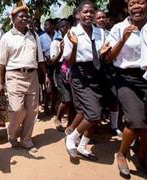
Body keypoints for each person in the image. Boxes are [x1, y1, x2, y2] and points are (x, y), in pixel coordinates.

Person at [0, 2, 49, 153]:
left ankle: (26, 139)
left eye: (26, 16)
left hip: (32, 76)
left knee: (32, 110)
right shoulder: (6, 37)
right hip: (14, 76)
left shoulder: (34, 36)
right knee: (17, 109)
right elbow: (0, 63)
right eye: (21, 16)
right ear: (13, 18)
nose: (25, 19)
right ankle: (12, 134)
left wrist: (46, 76)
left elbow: (40, 59)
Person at [101, 0, 147, 177]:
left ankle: (142, 157)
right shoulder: (119, 28)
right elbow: (109, 57)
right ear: (127, 8)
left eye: (141, 2)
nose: (137, 7)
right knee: (136, 121)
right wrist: (123, 39)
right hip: (126, 78)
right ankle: (122, 154)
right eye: (132, 4)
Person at [64, 1, 105, 161]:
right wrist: (74, 46)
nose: (89, 15)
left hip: (96, 73)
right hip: (80, 73)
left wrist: (104, 52)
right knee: (93, 114)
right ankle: (72, 137)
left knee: (93, 112)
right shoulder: (72, 33)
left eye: (91, 12)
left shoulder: (100, 32)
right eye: (85, 12)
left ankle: (82, 146)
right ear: (78, 15)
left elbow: (102, 53)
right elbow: (71, 61)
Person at [94, 10, 122, 137]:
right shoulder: (91, 34)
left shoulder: (111, 34)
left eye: (103, 17)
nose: (101, 20)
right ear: (94, 20)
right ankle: (94, 126)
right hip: (96, 71)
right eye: (98, 18)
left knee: (114, 99)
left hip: (110, 71)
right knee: (97, 100)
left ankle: (114, 126)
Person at [49, 18, 74, 132]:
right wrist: (61, 50)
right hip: (61, 71)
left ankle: (70, 124)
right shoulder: (56, 42)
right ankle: (58, 118)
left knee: (73, 100)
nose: (65, 28)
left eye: (67, 26)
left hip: (72, 70)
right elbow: (53, 61)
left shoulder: (74, 39)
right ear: (59, 29)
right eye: (62, 26)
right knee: (66, 99)